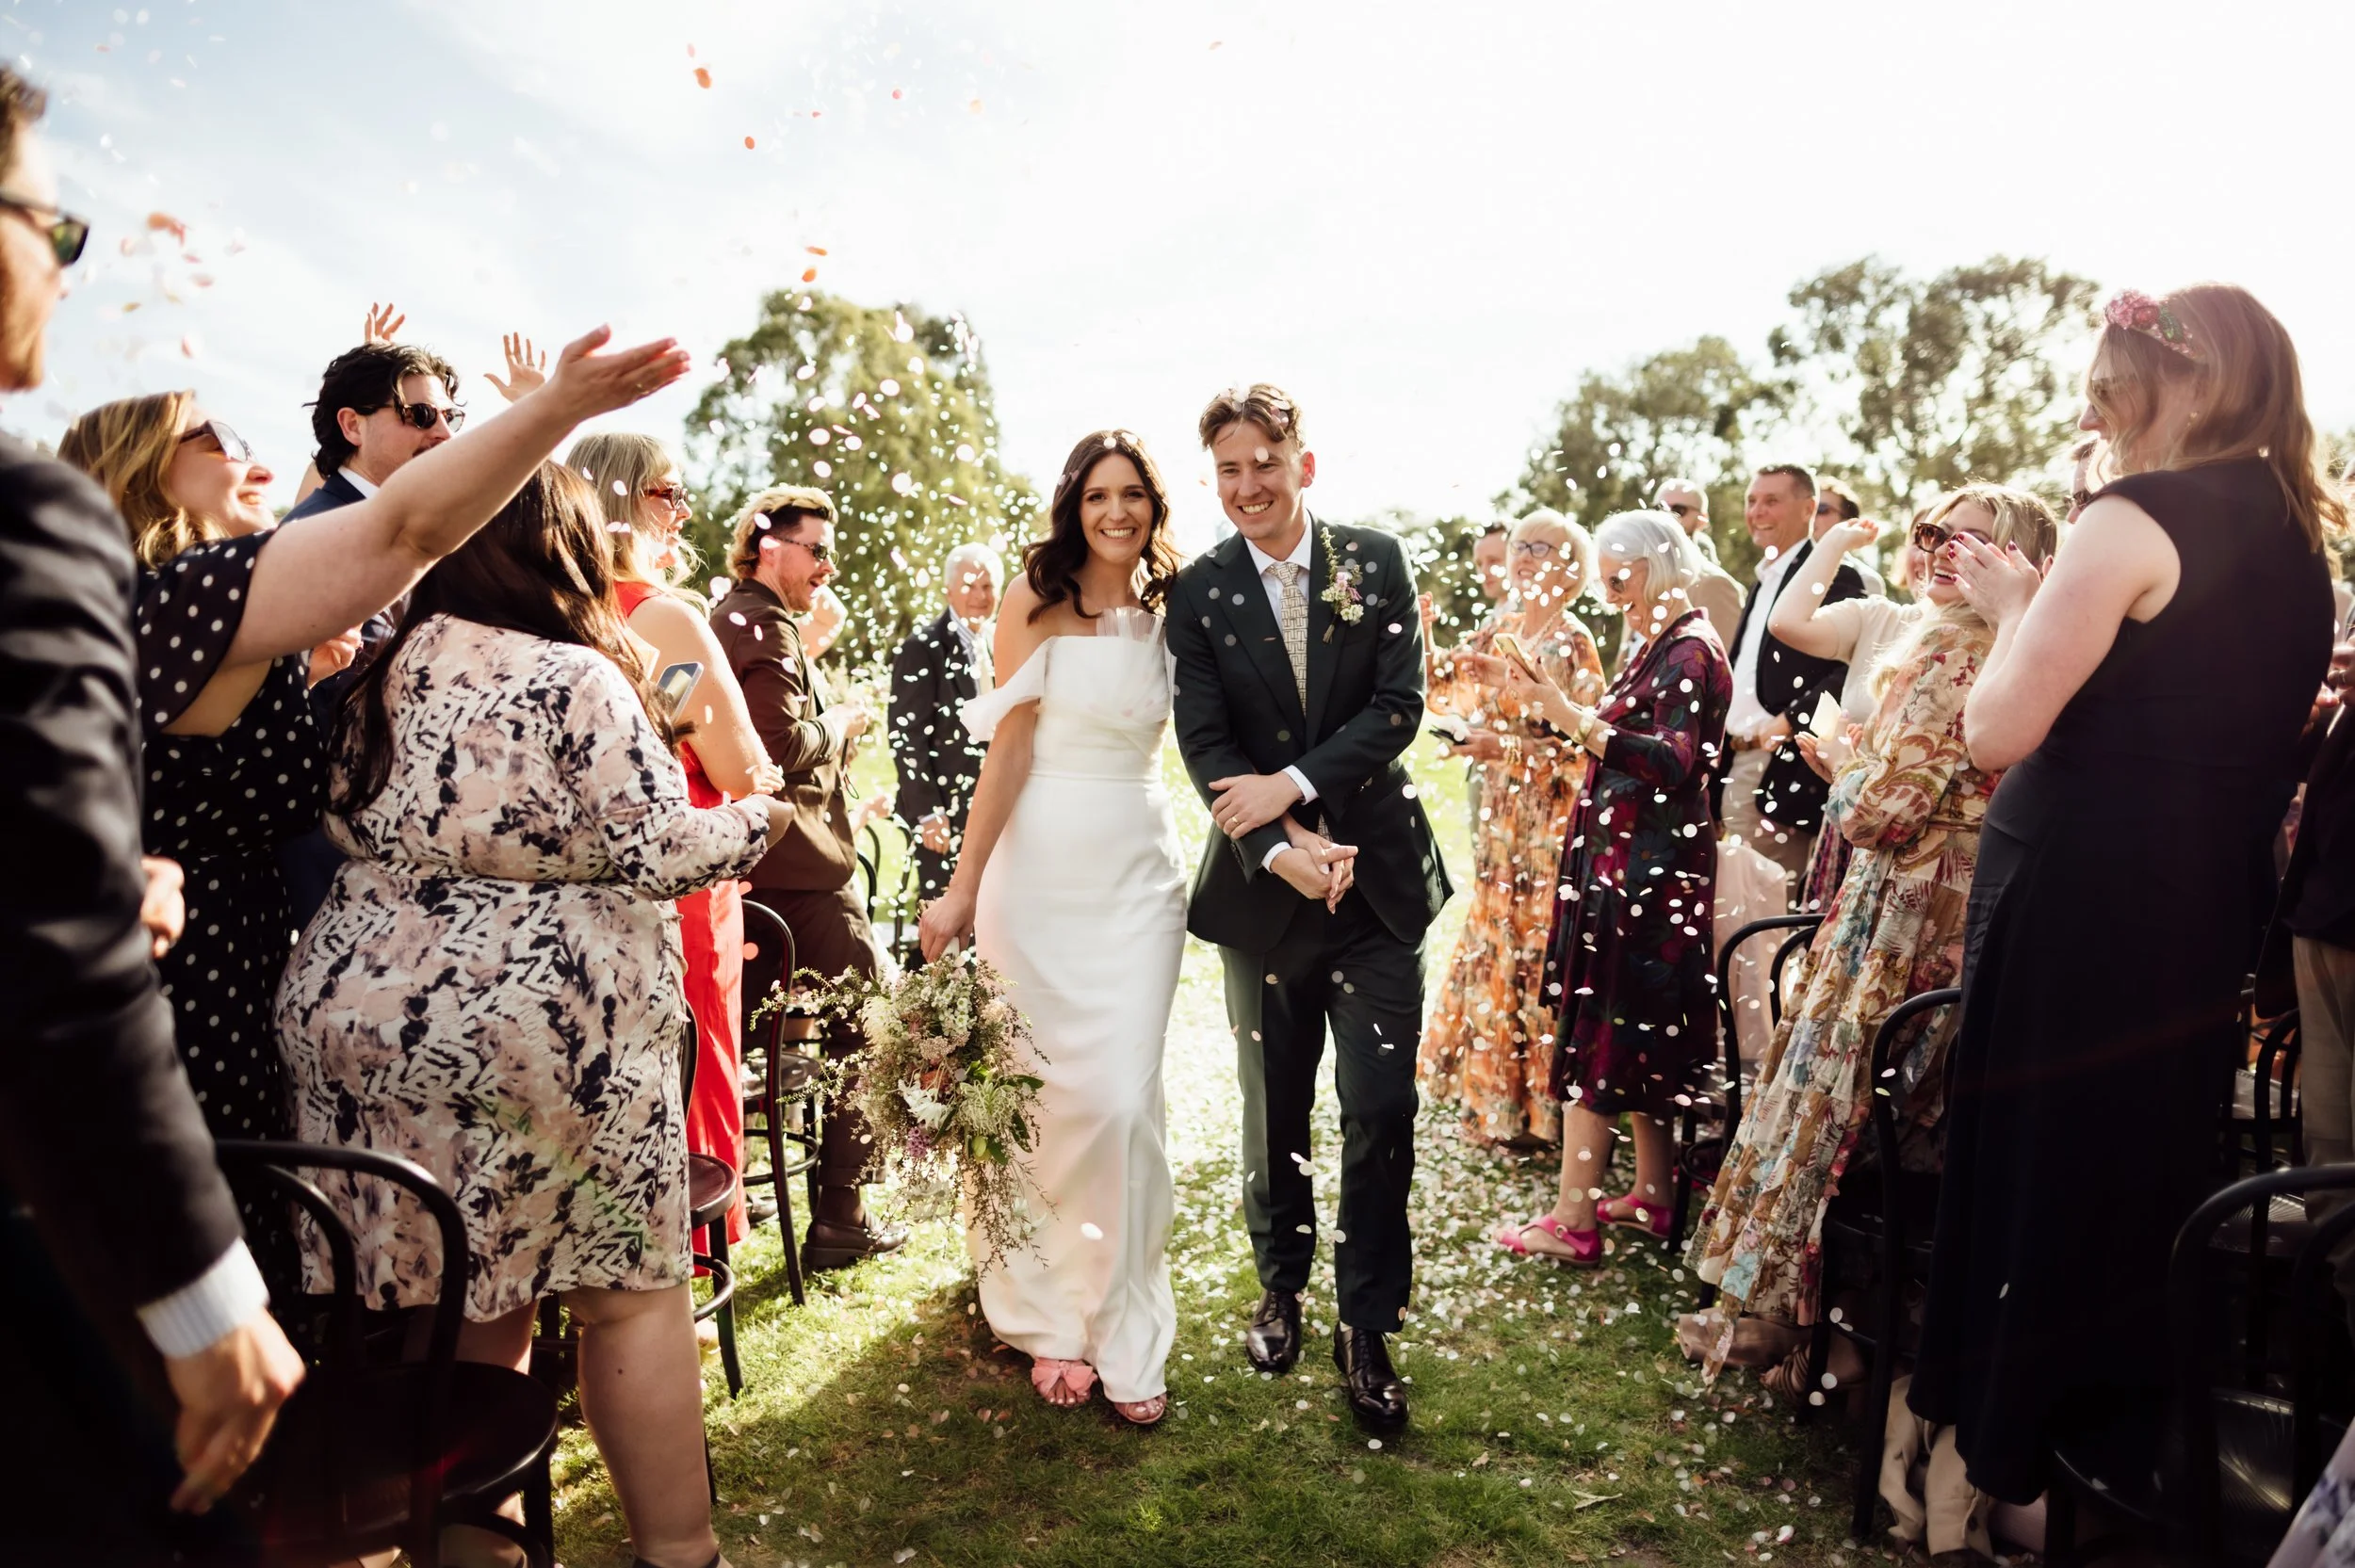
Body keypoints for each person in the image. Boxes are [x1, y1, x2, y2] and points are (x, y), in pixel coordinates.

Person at [277, 463, 776, 1568]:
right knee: (628, 1294)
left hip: (361, 1020)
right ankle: (679, 1552)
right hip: (537, 1031)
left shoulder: (379, 671)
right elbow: (660, 848)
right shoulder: (575, 675)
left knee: (457, 1290)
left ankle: (472, 1550)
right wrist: (761, 813)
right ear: (556, 548)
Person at [1910, 283, 2340, 1506]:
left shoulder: (2134, 516)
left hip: (2079, 904)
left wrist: (2009, 612)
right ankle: (2105, 1441)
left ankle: (2011, 1449)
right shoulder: (2296, 536)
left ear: (2184, 385)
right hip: (2196, 911)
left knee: (2045, 1165)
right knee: (2134, 1169)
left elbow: (1998, 727)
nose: (2100, 416)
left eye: (2112, 392)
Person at [0, 64, 303, 1556]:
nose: (63, 267)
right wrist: (204, 1294)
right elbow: (49, 941)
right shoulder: (36, 523)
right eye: (45, 228)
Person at [1686, 485, 2060, 1392]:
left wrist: (1848, 767)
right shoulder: (1984, 643)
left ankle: (1818, 1333)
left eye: (1973, 543)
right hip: (1927, 905)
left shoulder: (1958, 652)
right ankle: (1835, 1334)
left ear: (2017, 562)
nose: (1943, 551)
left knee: (1848, 1111)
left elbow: (1877, 812)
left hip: (1906, 916)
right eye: (1935, 534)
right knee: (1876, 1121)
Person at [1164, 383, 1450, 1433]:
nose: (1248, 487)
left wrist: (1292, 788)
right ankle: (1280, 1284)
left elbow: (1398, 707)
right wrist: (1273, 844)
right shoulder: (1197, 592)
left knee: (1379, 1110)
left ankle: (1365, 1321)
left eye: (1265, 465)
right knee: (1273, 1105)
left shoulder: (1376, 561)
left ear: (1304, 465)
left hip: (1374, 884)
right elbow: (1203, 743)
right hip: (1267, 896)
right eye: (1229, 471)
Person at [915, 430, 1188, 1426]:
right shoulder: (1032, 601)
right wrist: (959, 889)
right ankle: (1046, 1314)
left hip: (1138, 875)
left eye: (1133, 498)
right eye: (1096, 497)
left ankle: (1124, 1317)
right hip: (1036, 876)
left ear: (1153, 509)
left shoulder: (1176, 605)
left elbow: (1215, 739)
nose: (1115, 514)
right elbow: (1009, 756)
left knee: (1120, 1102)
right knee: (1042, 1102)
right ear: (1074, 506)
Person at [1488, 510, 1730, 1268]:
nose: (1610, 588)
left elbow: (1672, 761)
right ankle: (1654, 1195)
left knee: (1605, 1034)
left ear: (1658, 565)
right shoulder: (1656, 641)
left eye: (1620, 575)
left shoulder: (1689, 651)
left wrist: (1570, 716)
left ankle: (1573, 1218)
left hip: (1649, 882)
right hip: (1631, 870)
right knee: (1639, 1035)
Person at [574, 431, 782, 1253]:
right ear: (622, 497)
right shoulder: (666, 615)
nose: (684, 510)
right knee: (693, 1067)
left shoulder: (560, 612)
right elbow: (737, 766)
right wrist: (757, 770)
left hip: (587, 885)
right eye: (669, 491)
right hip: (681, 875)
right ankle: (688, 1258)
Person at [708, 487, 906, 1274]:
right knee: (876, 1026)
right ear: (767, 545)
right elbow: (780, 743)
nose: (828, 565)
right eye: (815, 548)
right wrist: (846, 723)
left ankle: (815, 1197)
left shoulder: (741, 619)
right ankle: (840, 1214)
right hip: (799, 888)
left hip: (767, 881)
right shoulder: (763, 624)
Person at [1421, 508, 1606, 1148]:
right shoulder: (1501, 627)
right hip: (1501, 821)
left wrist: (1505, 750)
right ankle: (1496, 1105)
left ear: (1571, 568)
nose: (1525, 557)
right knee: (1497, 943)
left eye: (1542, 548)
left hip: (1552, 824)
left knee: (1536, 952)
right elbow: (1448, 691)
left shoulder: (1575, 643)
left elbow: (1591, 750)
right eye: (1521, 545)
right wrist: (1421, 637)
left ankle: (1542, 1116)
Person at [275, 337, 465, 926]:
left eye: (451, 417)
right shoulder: (324, 534)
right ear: (352, 426)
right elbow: (334, 701)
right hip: (338, 858)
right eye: (420, 416)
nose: (443, 434)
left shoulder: (402, 531)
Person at [1767, 512, 1931, 910]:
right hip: (1849, 824)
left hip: (1923, 852)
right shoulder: (1879, 617)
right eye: (1922, 537)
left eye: (1951, 537)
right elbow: (1786, 622)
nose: (1933, 551)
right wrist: (1834, 542)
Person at [1721, 463, 1869, 890]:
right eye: (1751, 501)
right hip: (1739, 761)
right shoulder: (1762, 579)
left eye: (1771, 501)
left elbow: (1851, 669)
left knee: (1767, 907)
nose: (1756, 511)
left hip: (1780, 768)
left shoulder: (1833, 573)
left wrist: (1790, 721)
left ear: (1807, 508)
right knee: (1735, 909)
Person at [891, 542, 1003, 900]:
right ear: (949, 590)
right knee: (944, 917)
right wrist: (928, 813)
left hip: (994, 806)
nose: (980, 596)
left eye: (988, 587)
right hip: (942, 812)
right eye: (970, 585)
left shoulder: (1001, 644)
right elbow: (906, 736)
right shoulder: (923, 646)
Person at [1655, 477, 1745, 630]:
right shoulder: (1640, 577)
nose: (1666, 517)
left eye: (1678, 511)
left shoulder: (1716, 585)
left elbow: (1722, 652)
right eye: (1659, 509)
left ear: (1703, 519)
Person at [1813, 477, 1888, 598]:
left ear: (1847, 520)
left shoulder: (1866, 580)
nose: (1812, 515)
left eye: (1822, 509)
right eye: (1811, 509)